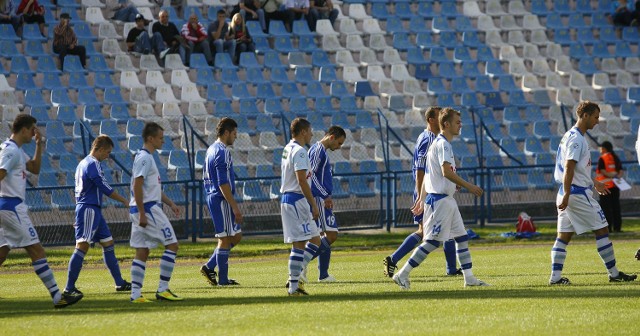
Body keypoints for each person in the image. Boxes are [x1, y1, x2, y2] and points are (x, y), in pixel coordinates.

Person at [392, 108, 488, 290]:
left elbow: (432, 175)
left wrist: (424, 196)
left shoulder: (438, 144)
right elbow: (444, 172)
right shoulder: (442, 144)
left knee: (461, 237)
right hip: (440, 202)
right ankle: (402, 274)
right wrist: (470, 186)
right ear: (446, 124)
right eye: (457, 122)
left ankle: (469, 278)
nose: (460, 125)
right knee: (433, 242)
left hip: (447, 200)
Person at [0, 114, 83, 308]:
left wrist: (39, 145)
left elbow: (35, 169)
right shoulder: (11, 152)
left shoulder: (16, 150)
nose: (34, 133)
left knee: (2, 251)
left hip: (5, 207)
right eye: (32, 130)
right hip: (11, 207)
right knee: (36, 249)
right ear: (23, 130)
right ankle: (57, 296)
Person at [550, 101, 637, 285]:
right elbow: (568, 167)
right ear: (585, 116)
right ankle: (614, 274)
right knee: (602, 229)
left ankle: (555, 278)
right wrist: (568, 193)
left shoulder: (569, 136)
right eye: (596, 117)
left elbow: (577, 170)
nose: (597, 121)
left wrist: (594, 182)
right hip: (576, 194)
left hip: (568, 191)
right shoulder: (577, 139)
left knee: (563, 236)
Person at [384, 107, 460, 279]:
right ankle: (393, 259)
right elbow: (421, 170)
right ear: (432, 120)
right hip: (428, 193)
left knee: (444, 228)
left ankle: (451, 268)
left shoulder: (428, 137)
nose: (442, 119)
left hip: (431, 191)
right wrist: (420, 196)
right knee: (425, 233)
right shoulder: (428, 139)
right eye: (438, 116)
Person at [63, 135, 132, 297]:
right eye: (107, 152)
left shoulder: (82, 163)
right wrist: (125, 201)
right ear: (99, 149)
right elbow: (104, 187)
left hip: (92, 209)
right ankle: (68, 288)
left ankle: (119, 283)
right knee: (82, 245)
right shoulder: (93, 164)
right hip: (88, 209)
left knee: (108, 243)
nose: (108, 156)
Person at [129, 122, 183, 303]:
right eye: (160, 138)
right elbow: (137, 185)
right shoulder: (145, 158)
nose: (163, 141)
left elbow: (150, 188)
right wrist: (144, 213)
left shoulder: (145, 157)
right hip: (148, 209)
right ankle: (163, 289)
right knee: (172, 245)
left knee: (142, 251)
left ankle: (135, 295)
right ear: (150, 139)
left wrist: (170, 203)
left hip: (140, 208)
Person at [200, 118, 243, 286]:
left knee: (236, 236)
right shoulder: (222, 151)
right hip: (220, 198)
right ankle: (223, 280)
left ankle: (210, 266)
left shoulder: (211, 149)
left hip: (214, 197)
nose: (235, 137)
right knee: (225, 239)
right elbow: (222, 183)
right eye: (234, 133)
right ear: (226, 133)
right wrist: (234, 207)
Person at [280, 118, 321, 295]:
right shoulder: (300, 151)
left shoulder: (287, 148)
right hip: (297, 200)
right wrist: (313, 204)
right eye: (310, 130)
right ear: (303, 131)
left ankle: (294, 277)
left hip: (292, 199)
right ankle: (294, 286)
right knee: (299, 244)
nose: (311, 134)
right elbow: (301, 180)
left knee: (316, 240)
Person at [306, 126, 345, 282]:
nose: (339, 147)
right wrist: (324, 195)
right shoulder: (317, 151)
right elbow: (311, 175)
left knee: (325, 234)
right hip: (319, 199)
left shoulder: (320, 151)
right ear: (332, 137)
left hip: (322, 198)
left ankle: (323, 274)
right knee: (331, 234)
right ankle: (300, 264)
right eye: (339, 143)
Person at [595, 141, 624, 233]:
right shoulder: (615, 157)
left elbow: (602, 171)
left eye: (601, 148)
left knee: (606, 208)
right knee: (616, 207)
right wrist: (616, 176)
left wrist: (610, 175)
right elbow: (620, 171)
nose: (600, 150)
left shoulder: (602, 158)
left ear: (604, 148)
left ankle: (608, 228)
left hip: (605, 187)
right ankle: (617, 228)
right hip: (615, 186)